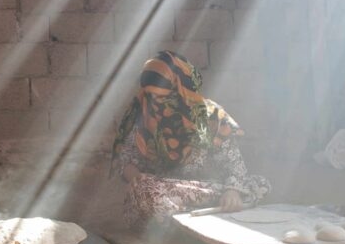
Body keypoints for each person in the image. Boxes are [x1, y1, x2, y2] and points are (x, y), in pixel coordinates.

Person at [111, 51, 271, 229]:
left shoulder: (212, 117)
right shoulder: (143, 116)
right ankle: (184, 221)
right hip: (164, 191)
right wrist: (137, 178)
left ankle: (182, 221)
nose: (156, 103)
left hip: (208, 189)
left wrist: (232, 191)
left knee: (259, 184)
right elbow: (125, 160)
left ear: (181, 91)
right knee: (146, 191)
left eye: (165, 97)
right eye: (151, 96)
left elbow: (234, 165)